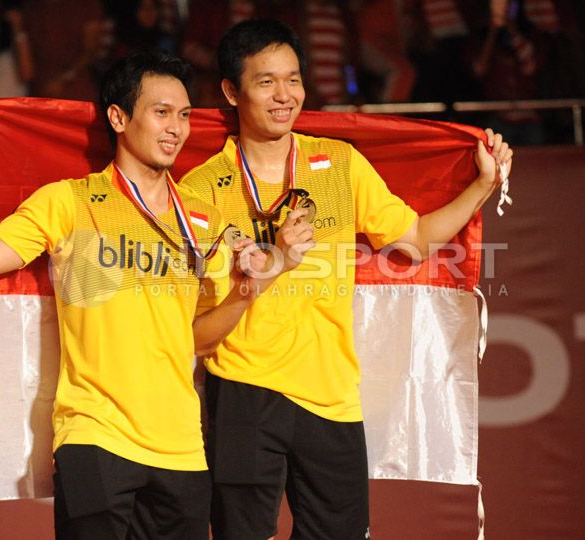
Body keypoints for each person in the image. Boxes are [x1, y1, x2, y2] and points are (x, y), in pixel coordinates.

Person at [179, 18, 513, 539]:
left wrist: (481, 187)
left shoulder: (338, 164)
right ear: (230, 91)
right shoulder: (199, 190)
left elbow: (413, 240)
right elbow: (192, 321)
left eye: (293, 79)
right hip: (241, 391)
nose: (284, 94)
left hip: (331, 393)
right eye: (266, 81)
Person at [0, 48, 274, 539]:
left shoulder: (204, 222)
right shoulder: (69, 202)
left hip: (182, 448)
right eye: (160, 113)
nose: (175, 128)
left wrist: (243, 295)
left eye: (182, 115)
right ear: (118, 117)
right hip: (94, 437)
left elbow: (195, 340)